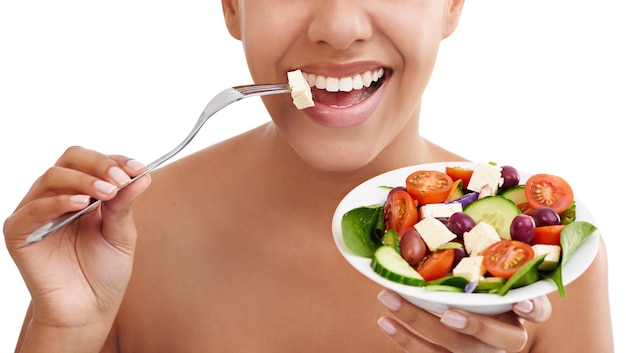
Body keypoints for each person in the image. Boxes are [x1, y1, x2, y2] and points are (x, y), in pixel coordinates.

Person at [3, 0, 614, 352]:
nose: (339, 25)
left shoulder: (553, 258)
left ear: (452, 4)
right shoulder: (126, 243)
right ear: (232, 5)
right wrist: (64, 330)